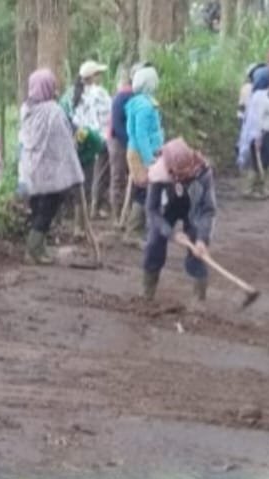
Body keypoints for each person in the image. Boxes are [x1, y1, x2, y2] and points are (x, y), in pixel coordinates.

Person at [20, 69, 85, 265]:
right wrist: (74, 169)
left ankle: (38, 247)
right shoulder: (53, 111)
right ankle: (33, 250)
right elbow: (64, 141)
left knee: (37, 208)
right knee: (47, 211)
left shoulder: (27, 108)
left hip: (30, 169)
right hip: (51, 172)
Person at [142, 138, 218, 302]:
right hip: (167, 206)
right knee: (154, 241)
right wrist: (171, 233)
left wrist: (202, 239)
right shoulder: (160, 169)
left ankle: (199, 301)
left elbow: (207, 210)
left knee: (198, 247)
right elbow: (152, 209)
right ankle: (147, 295)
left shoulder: (203, 173)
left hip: (193, 207)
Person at [68, 60, 113, 216]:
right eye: (98, 74)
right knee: (99, 174)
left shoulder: (74, 93)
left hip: (81, 137)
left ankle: (84, 208)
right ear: (93, 77)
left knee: (86, 173)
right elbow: (109, 114)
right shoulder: (99, 93)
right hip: (99, 138)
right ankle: (96, 206)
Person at [124, 66, 165, 234]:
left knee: (144, 190)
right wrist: (149, 159)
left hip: (140, 151)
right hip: (142, 153)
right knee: (143, 190)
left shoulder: (139, 102)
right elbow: (141, 135)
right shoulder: (145, 106)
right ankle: (133, 231)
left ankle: (138, 229)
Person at [238, 67, 269, 199]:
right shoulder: (260, 98)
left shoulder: (264, 95)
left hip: (266, 134)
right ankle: (249, 189)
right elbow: (256, 119)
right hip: (260, 134)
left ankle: (261, 188)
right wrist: (257, 137)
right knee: (258, 162)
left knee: (265, 161)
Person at [109, 67, 137, 226]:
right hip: (118, 142)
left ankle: (125, 215)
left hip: (126, 141)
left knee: (127, 177)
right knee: (118, 177)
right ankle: (117, 216)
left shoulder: (133, 97)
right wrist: (129, 143)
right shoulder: (124, 97)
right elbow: (117, 125)